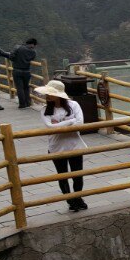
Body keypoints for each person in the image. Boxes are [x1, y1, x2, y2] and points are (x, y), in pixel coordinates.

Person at [35, 80, 88, 211]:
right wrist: (70, 122)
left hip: (74, 145)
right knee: (62, 175)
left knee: (77, 175)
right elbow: (50, 127)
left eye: (50, 93)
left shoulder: (73, 105)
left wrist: (63, 124)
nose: (47, 96)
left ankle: (78, 197)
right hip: (56, 147)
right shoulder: (44, 110)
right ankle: (70, 200)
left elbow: (80, 123)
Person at [10, 38, 38, 109]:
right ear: (33, 44)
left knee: (20, 88)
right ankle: (28, 103)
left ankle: (22, 104)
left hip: (17, 70)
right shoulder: (33, 52)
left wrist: (16, 59)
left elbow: (11, 56)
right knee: (26, 87)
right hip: (27, 71)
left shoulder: (18, 47)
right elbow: (31, 59)